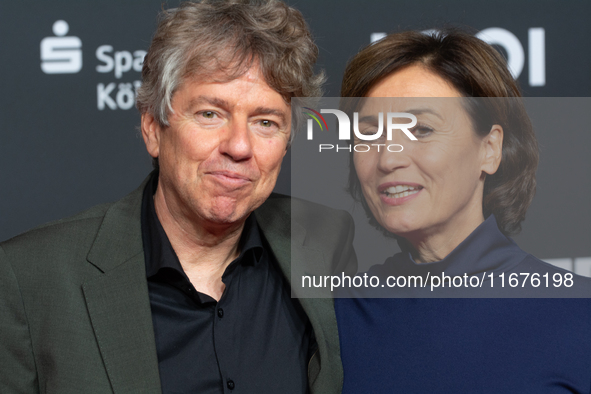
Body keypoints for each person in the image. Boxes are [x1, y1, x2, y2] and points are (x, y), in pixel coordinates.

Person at [0, 1, 356, 393]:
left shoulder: (330, 242)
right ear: (152, 126)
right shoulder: (30, 280)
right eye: (210, 114)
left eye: (266, 122)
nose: (239, 146)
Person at [334, 29, 591, 393]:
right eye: (369, 133)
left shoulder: (578, 313)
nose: (388, 158)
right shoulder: (334, 316)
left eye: (421, 129)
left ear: (490, 149)